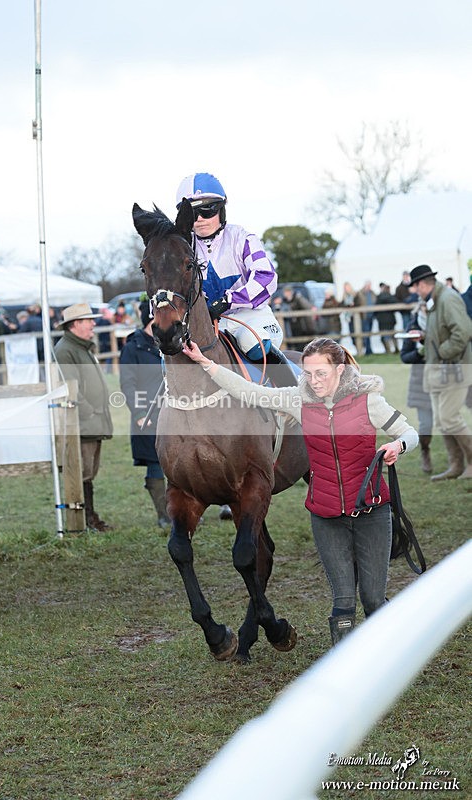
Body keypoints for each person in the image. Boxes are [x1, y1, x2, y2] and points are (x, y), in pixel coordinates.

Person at [181, 336, 418, 646]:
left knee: (373, 600)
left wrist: (397, 445)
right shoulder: (299, 399)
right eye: (307, 373)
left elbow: (409, 432)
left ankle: (388, 652)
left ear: (339, 370)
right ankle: (348, 663)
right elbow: (250, 392)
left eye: (320, 373)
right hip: (326, 516)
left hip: (372, 512)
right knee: (343, 601)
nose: (313, 381)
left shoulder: (368, 400)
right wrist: (207, 363)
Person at [175, 172, 283, 362]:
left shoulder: (242, 238)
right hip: (206, 325)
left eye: (207, 210)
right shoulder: (183, 247)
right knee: (171, 355)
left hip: (251, 318)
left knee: (251, 342)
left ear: (221, 209)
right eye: (192, 213)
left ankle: (291, 389)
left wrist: (228, 301)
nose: (199, 218)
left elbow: (266, 278)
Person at [406, 264, 472, 480]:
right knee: (443, 422)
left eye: (415, 287)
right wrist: (425, 341)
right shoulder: (435, 301)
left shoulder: (448, 298)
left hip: (454, 369)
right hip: (439, 370)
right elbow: (441, 333)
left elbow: (462, 332)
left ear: (422, 284)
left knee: (449, 418)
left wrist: (442, 352)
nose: (415, 292)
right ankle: (456, 465)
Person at [55, 303, 114, 530]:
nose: (93, 324)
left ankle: (89, 516)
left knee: (88, 473)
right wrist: (89, 411)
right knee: (82, 474)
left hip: (93, 421)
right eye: (88, 320)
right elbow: (71, 389)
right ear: (76, 324)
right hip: (82, 423)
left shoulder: (81, 347)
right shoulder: (66, 350)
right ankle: (85, 519)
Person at [119, 300, 170, 530]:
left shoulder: (169, 343)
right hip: (147, 413)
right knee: (155, 463)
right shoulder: (133, 348)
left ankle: (183, 509)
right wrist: (139, 412)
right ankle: (164, 514)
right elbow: (127, 383)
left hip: (174, 411)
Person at [399, 300, 433, 472]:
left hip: (444, 379)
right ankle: (425, 451)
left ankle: (458, 461)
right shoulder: (413, 326)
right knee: (426, 424)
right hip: (421, 381)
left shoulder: (442, 324)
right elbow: (404, 356)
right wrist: (419, 352)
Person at [354, 280, 376, 355]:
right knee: (366, 333)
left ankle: (369, 349)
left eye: (370, 286)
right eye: (368, 286)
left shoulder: (372, 293)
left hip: (371, 316)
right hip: (364, 316)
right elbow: (356, 303)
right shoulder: (360, 293)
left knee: (369, 333)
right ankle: (368, 350)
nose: (369, 287)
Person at [375, 283, 397, 353]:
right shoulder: (391, 297)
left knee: (385, 336)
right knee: (392, 334)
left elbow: (376, 308)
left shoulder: (379, 297)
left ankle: (388, 350)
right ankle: (396, 348)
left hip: (382, 320)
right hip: (390, 319)